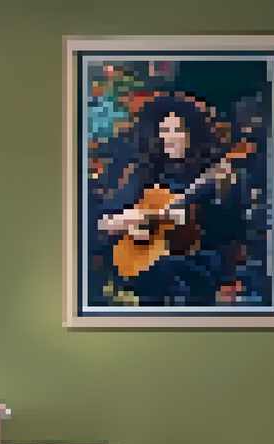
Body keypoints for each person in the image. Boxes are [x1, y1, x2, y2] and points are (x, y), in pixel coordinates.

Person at [91, 92, 254, 306]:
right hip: (144, 264)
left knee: (174, 271)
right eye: (165, 130)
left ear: (192, 134)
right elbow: (102, 224)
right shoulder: (143, 173)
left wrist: (222, 192)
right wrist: (140, 216)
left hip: (198, 266)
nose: (171, 138)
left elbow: (231, 234)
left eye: (178, 130)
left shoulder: (213, 175)